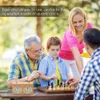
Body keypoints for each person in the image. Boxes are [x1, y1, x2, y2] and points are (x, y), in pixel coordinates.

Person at [59, 7, 92, 78]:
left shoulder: (88, 26)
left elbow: (92, 45)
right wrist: (83, 75)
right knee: (66, 81)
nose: (78, 24)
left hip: (76, 57)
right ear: (71, 22)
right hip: (64, 58)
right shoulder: (70, 33)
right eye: (75, 22)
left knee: (79, 80)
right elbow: (76, 55)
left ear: (84, 19)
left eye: (80, 21)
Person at [68, 28, 100, 100]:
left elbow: (79, 97)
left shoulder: (91, 65)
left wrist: (82, 81)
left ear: (86, 46)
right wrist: (81, 80)